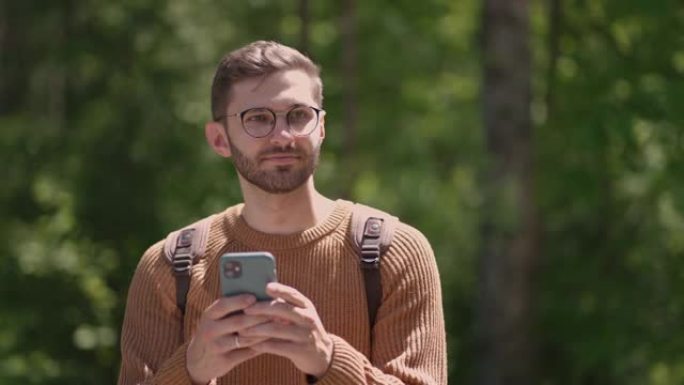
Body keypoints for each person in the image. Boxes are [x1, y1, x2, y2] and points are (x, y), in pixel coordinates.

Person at [117, 40, 447, 385]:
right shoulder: (170, 267)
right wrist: (191, 371)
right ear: (219, 139)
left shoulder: (393, 253)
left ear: (321, 127)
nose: (283, 135)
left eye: (299, 115)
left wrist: (327, 359)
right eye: (258, 118)